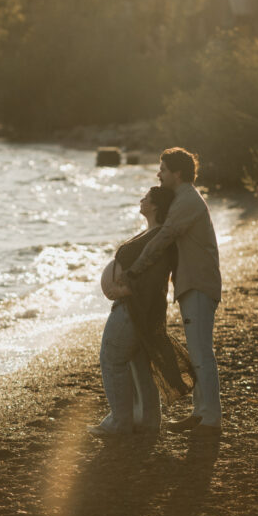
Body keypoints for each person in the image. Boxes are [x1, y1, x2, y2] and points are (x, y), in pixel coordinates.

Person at [125, 147, 222, 434]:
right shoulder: (184, 199)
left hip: (199, 284)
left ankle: (211, 418)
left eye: (163, 169)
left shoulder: (187, 200)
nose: (159, 174)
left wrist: (136, 268)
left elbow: (164, 237)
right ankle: (201, 413)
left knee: (202, 352)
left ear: (177, 174)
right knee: (198, 351)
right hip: (194, 284)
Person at [89, 186, 195, 438]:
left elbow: (153, 276)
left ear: (156, 206)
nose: (141, 199)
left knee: (112, 359)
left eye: (146, 197)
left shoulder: (159, 238)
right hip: (139, 308)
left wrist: (123, 291)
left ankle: (120, 422)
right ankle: (148, 421)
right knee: (139, 363)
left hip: (133, 309)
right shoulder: (154, 234)